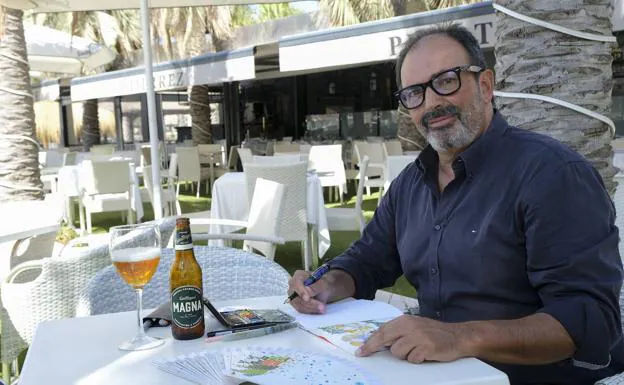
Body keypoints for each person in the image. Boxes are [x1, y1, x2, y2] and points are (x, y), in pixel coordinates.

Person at [288, 24, 624, 385]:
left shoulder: (551, 175)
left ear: (485, 85)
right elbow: (368, 260)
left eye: (446, 80)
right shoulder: (411, 183)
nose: (432, 102)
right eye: (414, 93)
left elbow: (590, 319)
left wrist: (460, 337)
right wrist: (328, 283)